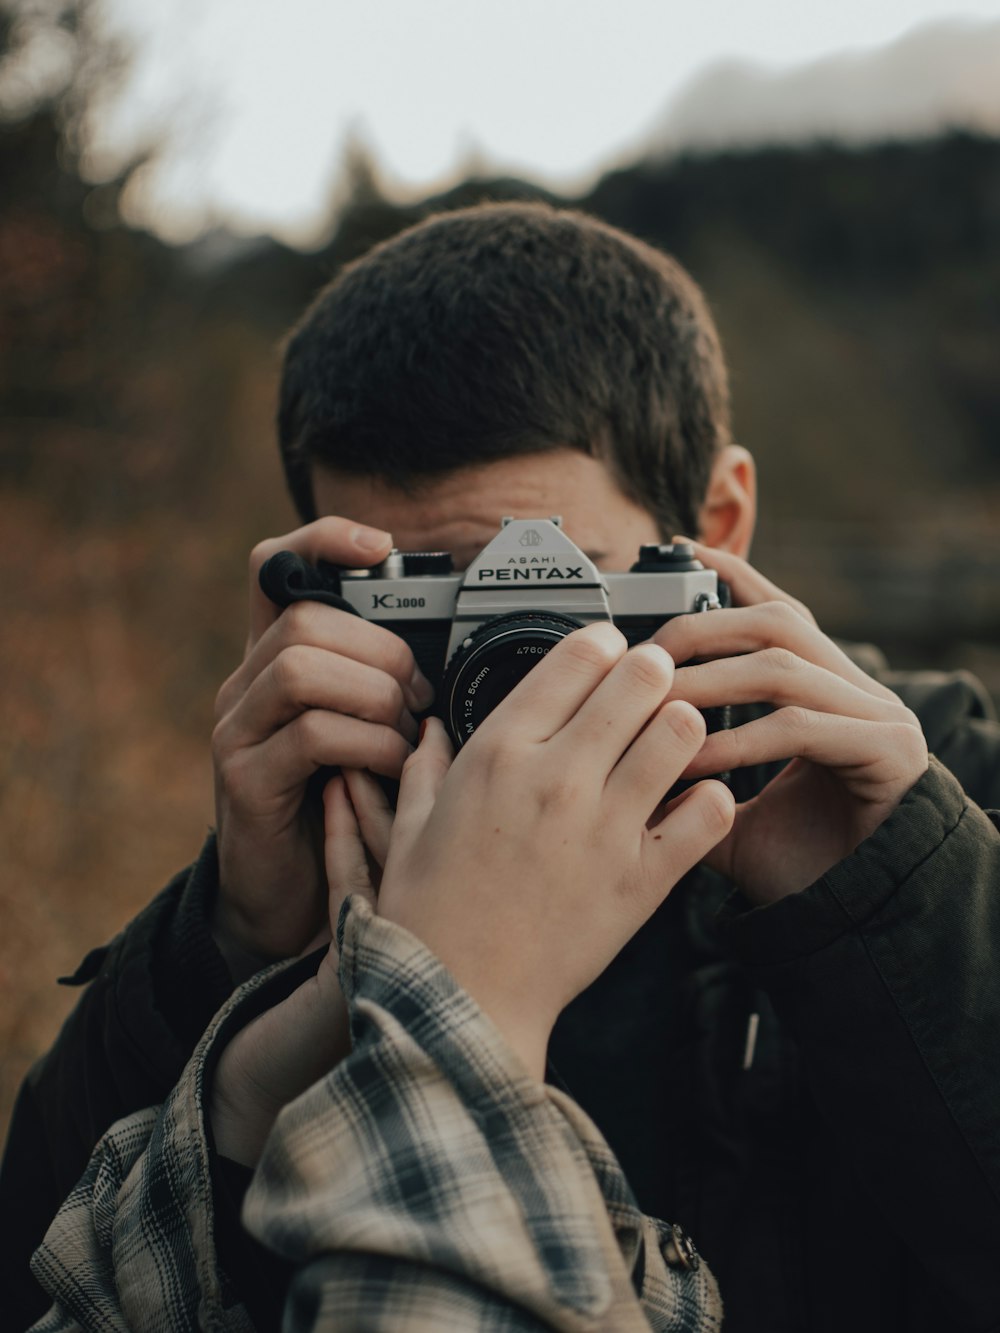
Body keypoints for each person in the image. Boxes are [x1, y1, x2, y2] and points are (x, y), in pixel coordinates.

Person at [3, 202, 999, 1332]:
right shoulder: (307, 845)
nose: (501, 659)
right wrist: (228, 947)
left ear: (715, 524)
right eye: (425, 593)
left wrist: (893, 901)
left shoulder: (911, 809)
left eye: (550, 585)